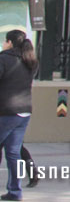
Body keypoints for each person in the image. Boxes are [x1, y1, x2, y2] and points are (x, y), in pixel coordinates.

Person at [0, 30, 37, 200]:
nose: (3, 43)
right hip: (24, 112)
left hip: (6, 112)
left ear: (10, 42)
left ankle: (15, 191)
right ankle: (15, 192)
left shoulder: (3, 59)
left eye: (5, 40)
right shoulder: (29, 60)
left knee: (12, 153)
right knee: (13, 153)